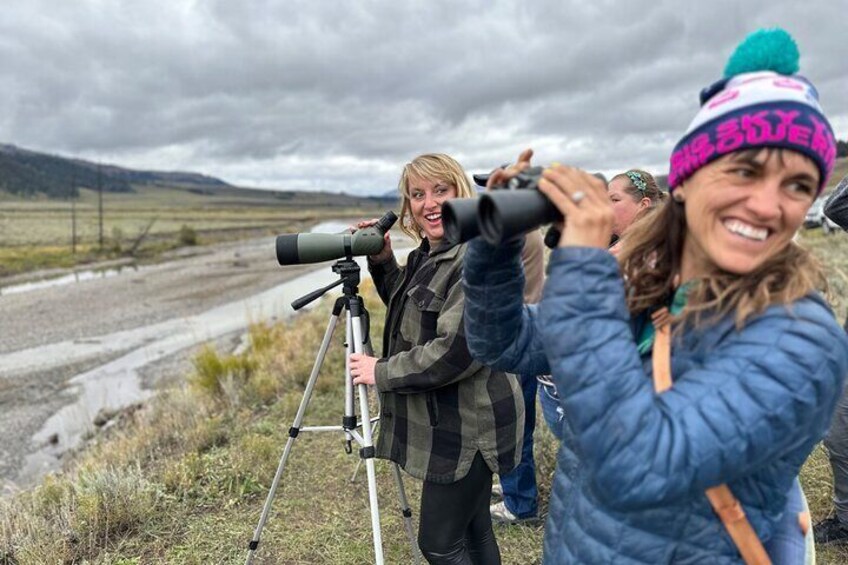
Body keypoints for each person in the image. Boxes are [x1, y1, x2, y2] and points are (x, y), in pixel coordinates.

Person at [462, 28, 848, 563]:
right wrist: (495, 244)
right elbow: (499, 341)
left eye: (797, 186)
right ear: (687, 180)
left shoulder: (801, 340)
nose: (768, 205)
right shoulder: (643, 280)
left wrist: (585, 259)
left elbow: (639, 466)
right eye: (744, 171)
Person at [348, 153, 524, 564]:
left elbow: (456, 352)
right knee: (474, 527)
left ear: (460, 191)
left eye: (440, 190)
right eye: (417, 194)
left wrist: (381, 372)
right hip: (456, 418)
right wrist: (382, 261)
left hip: (471, 424)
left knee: (439, 544)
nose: (430, 203)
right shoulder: (428, 253)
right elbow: (412, 311)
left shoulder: (476, 257)